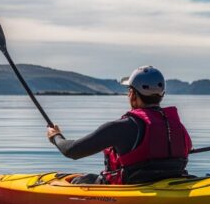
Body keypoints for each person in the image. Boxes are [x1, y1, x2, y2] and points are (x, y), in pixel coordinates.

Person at [47, 66, 193, 184]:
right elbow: (187, 149)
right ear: (161, 95)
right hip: (173, 181)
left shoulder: (121, 127)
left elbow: (72, 151)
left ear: (132, 94)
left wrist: (56, 136)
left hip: (132, 187)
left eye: (129, 91)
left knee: (81, 181)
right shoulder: (177, 126)